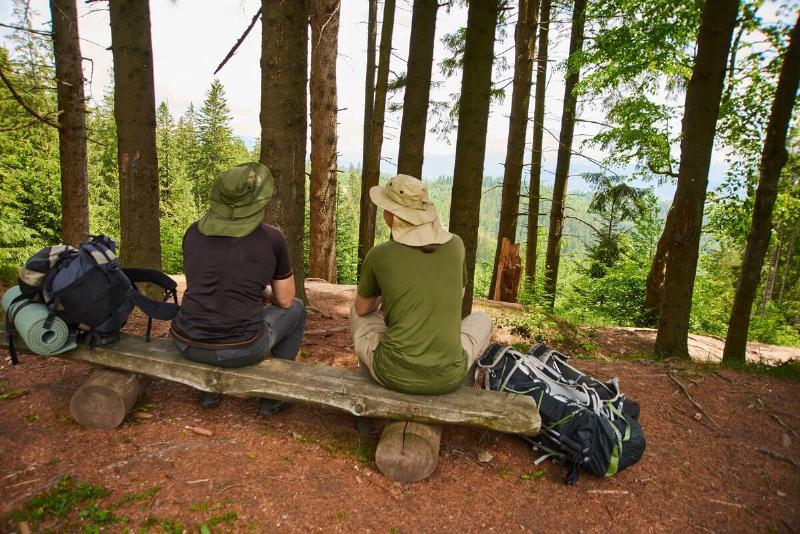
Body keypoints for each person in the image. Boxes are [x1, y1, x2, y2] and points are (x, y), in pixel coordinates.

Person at [170, 162, 306, 415]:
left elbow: (208, 283)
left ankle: (208, 390)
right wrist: (263, 292)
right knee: (297, 309)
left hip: (186, 341)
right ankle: (273, 393)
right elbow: (285, 300)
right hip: (242, 348)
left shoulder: (193, 232)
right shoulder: (272, 238)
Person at [350, 174, 493, 395]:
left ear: (393, 214)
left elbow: (362, 308)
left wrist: (385, 292)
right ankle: (463, 387)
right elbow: (459, 294)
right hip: (448, 375)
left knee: (356, 310)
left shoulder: (380, 255)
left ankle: (370, 384)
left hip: (391, 372)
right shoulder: (456, 245)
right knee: (483, 320)